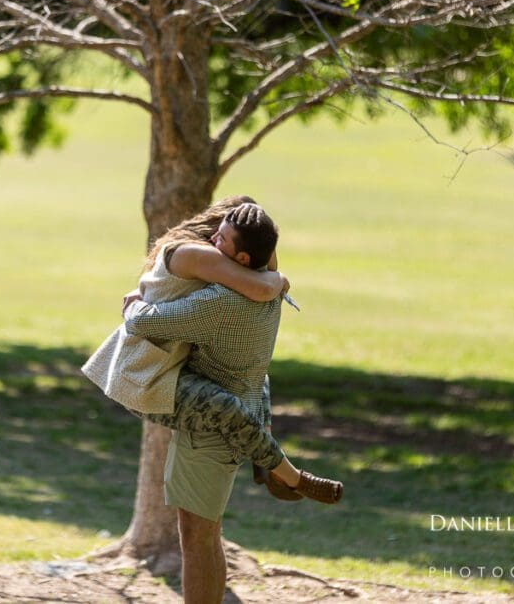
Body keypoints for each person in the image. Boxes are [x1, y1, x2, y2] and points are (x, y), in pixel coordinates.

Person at [122, 205, 340, 603]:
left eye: (220, 239)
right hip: (240, 407)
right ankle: (279, 472)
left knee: (197, 540)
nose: (210, 242)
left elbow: (144, 323)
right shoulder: (269, 289)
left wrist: (135, 302)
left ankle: (285, 473)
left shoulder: (221, 303)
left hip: (212, 434)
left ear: (242, 258)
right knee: (206, 535)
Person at [83, 197, 342, 502]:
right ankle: (292, 476)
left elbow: (264, 263)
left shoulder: (214, 254)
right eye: (219, 234)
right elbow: (264, 284)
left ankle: (265, 459)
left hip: (168, 363)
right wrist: (281, 280)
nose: (217, 240)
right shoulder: (200, 255)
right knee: (225, 407)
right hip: (145, 375)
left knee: (256, 379)